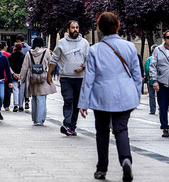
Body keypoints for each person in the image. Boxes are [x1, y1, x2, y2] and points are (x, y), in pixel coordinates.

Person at [78, 12, 142, 181]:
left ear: (99, 28)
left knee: (102, 132)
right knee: (121, 129)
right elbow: (137, 75)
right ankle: (126, 159)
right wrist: (135, 96)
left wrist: (83, 103)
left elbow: (89, 78)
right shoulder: (130, 47)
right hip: (125, 95)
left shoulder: (94, 50)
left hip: (102, 96)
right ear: (117, 26)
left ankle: (101, 168)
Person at [47, 20, 90, 136]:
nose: (75, 30)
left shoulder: (85, 43)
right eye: (72, 27)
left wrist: (82, 67)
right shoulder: (61, 43)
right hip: (66, 77)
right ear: (68, 30)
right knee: (68, 101)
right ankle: (66, 125)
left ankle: (72, 126)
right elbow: (54, 59)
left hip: (80, 78)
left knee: (76, 103)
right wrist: (49, 74)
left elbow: (89, 59)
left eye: (77, 27)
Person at [20, 37, 57, 125]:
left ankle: (35, 118)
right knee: (42, 98)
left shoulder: (29, 53)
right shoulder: (46, 52)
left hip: (32, 78)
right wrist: (50, 74)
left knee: (34, 97)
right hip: (43, 78)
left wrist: (21, 79)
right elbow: (51, 63)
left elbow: (24, 67)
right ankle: (40, 119)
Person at [12, 34, 31, 109]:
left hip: (15, 71)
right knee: (25, 87)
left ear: (18, 41)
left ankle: (17, 104)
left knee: (16, 89)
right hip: (25, 71)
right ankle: (26, 100)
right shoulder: (29, 48)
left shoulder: (14, 49)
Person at [8, 43, 25, 112]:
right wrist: (20, 74)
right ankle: (21, 105)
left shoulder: (11, 56)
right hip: (22, 75)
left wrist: (14, 74)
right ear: (21, 49)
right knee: (21, 91)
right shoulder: (24, 56)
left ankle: (15, 105)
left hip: (14, 75)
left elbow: (9, 66)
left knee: (15, 90)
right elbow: (25, 67)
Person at [144, 44, 158, 114]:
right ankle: (161, 108)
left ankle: (152, 110)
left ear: (151, 51)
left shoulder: (149, 59)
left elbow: (147, 70)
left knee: (152, 96)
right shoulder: (161, 58)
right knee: (160, 96)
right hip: (160, 81)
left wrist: (147, 76)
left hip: (151, 81)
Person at [1, 41, 12, 111]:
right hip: (7, 76)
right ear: (4, 47)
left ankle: (0, 103)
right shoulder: (8, 55)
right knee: (7, 91)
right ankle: (6, 105)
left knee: (1, 91)